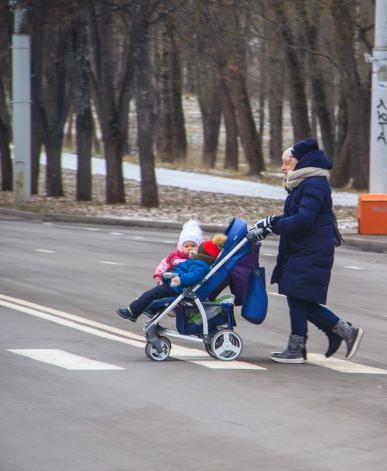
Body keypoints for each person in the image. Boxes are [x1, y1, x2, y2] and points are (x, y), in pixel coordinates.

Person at [252, 138, 363, 363]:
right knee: (300, 297)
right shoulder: (305, 183)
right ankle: (339, 332)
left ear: (299, 161)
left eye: (287, 162)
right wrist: (271, 222)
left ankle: (301, 347)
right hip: (303, 248)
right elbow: (297, 216)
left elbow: (303, 220)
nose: (283, 167)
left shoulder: (314, 184)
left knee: (296, 296)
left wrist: (274, 226)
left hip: (311, 250)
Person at [117, 234, 227, 322]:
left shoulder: (200, 265)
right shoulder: (199, 262)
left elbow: (193, 276)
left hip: (176, 287)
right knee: (153, 296)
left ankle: (132, 312)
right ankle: (150, 309)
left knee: (149, 295)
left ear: (203, 253)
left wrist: (180, 279)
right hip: (174, 284)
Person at [152, 219, 204, 285]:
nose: (190, 248)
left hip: (183, 283)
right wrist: (158, 274)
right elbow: (164, 264)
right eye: (186, 246)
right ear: (181, 247)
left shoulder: (198, 259)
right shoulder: (174, 256)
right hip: (170, 280)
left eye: (193, 246)